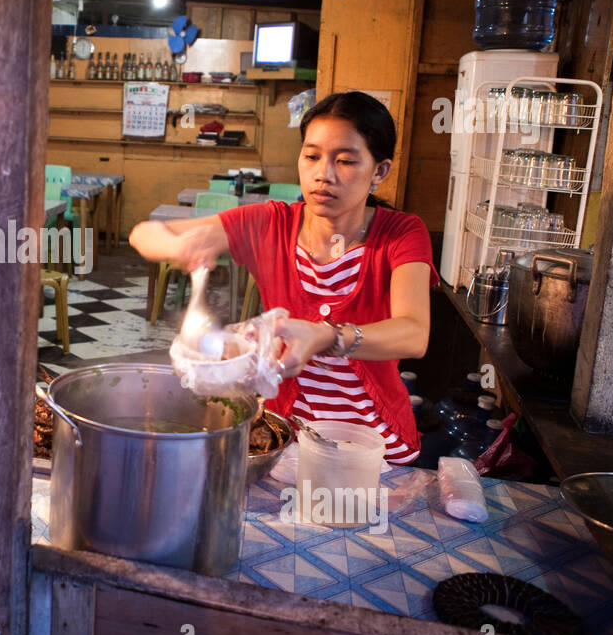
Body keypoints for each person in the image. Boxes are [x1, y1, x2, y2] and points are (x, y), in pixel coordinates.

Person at [129, 91, 437, 464]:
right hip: (282, 438)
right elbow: (144, 233)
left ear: (379, 171)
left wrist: (327, 335)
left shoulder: (402, 233)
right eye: (311, 156)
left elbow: (413, 334)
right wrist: (181, 248)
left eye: (345, 161)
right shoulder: (270, 223)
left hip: (376, 447)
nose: (323, 174)